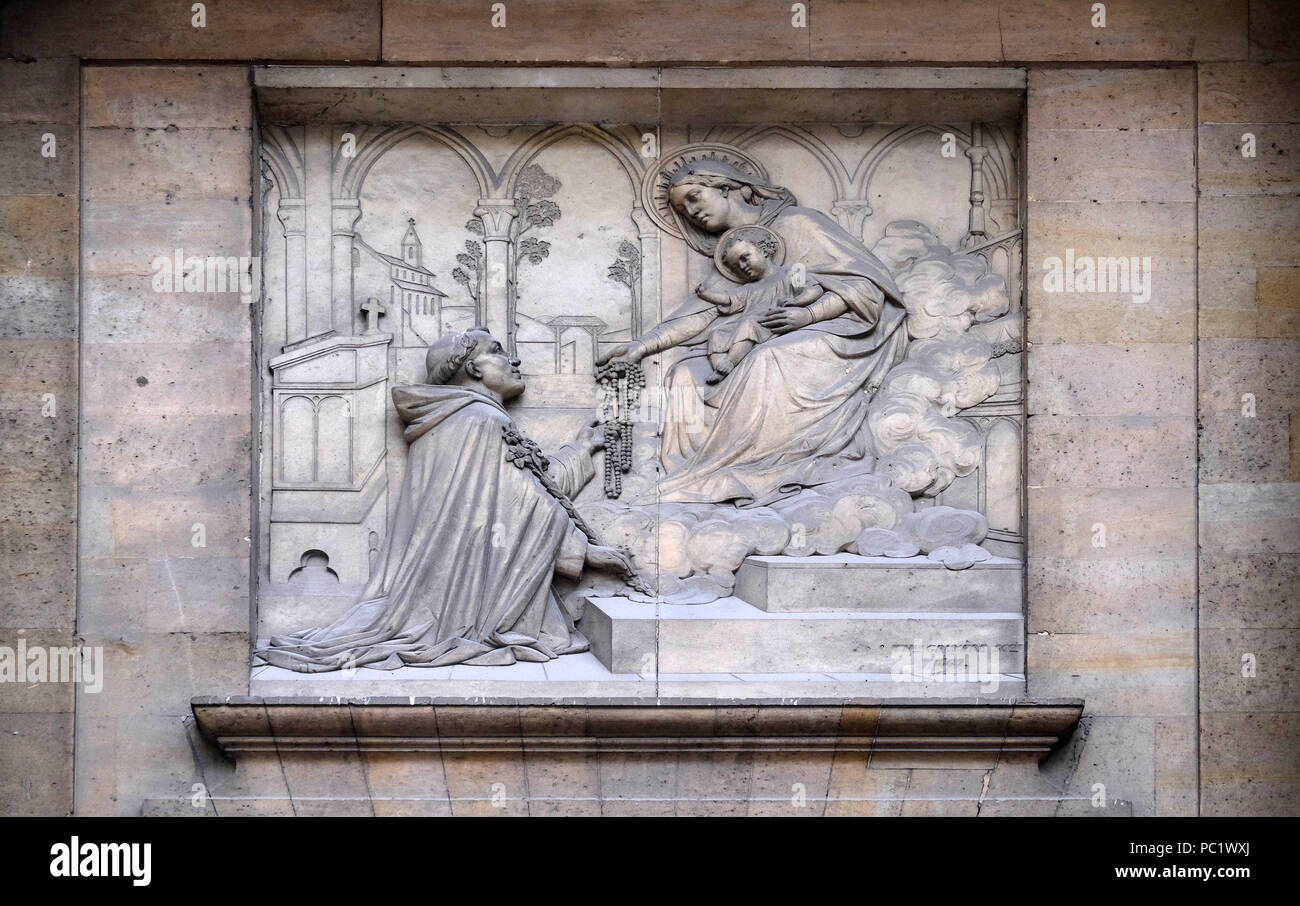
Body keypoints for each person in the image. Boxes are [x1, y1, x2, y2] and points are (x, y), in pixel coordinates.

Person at [259, 328, 635, 671]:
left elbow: (527, 486)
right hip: (463, 607)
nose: (515, 360)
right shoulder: (479, 420)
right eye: (499, 352)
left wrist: (580, 448)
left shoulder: (459, 418)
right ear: (473, 368)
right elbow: (521, 502)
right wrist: (585, 552)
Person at [598, 158, 909, 506]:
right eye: (683, 209)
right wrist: (640, 347)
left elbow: (866, 287)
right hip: (773, 337)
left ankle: (765, 467)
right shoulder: (730, 257)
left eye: (695, 196)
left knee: (767, 357)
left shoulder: (800, 224)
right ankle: (699, 473)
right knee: (684, 373)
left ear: (727, 187)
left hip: (842, 332)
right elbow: (701, 315)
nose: (691, 211)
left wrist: (808, 316)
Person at [693, 225, 823, 383]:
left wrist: (797, 301)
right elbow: (728, 299)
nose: (742, 266)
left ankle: (730, 362)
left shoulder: (793, 272)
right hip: (748, 325)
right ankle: (720, 368)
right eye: (736, 266)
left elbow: (814, 289)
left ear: (764, 249)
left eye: (744, 258)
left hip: (771, 321)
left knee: (749, 323)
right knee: (717, 333)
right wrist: (706, 295)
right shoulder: (749, 289)